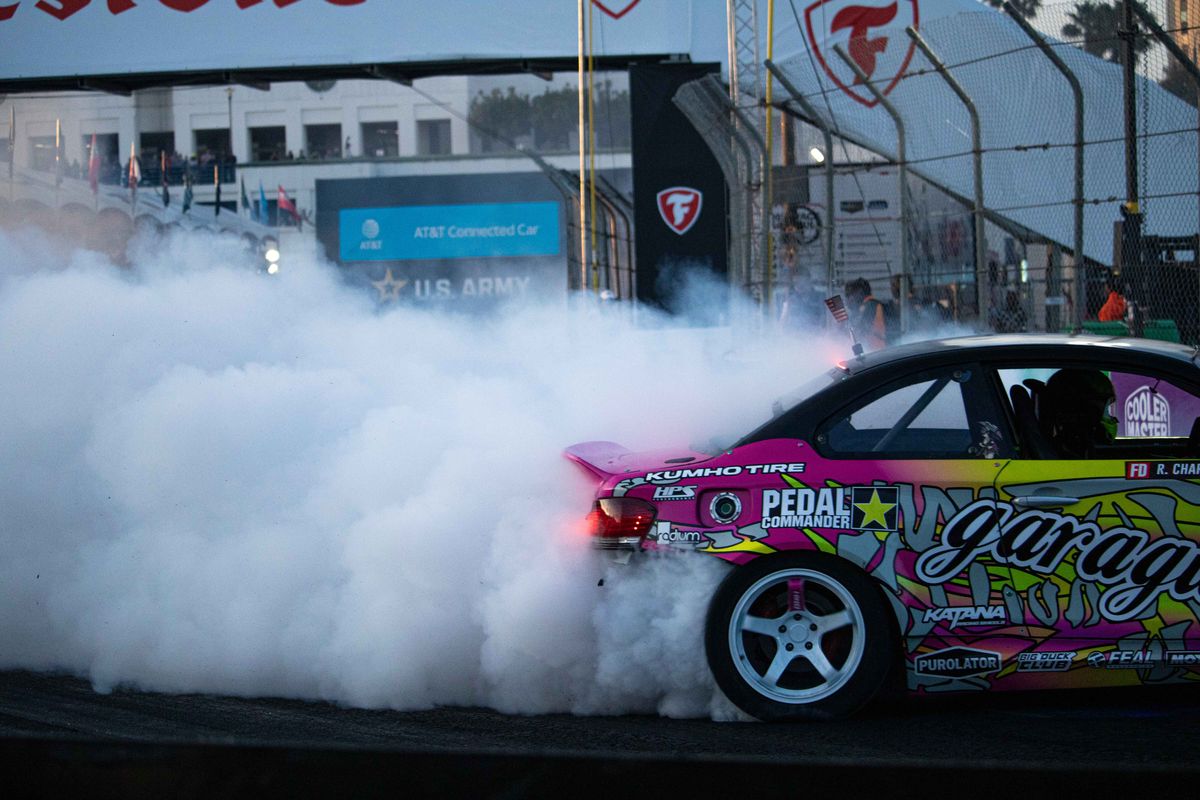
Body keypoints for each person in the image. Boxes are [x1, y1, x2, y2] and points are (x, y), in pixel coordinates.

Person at [1039, 368, 1116, 458]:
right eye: (1106, 410)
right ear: (1088, 410)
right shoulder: (1074, 451)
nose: (1112, 419)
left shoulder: (1075, 446)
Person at [844, 277, 887, 351]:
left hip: (876, 352)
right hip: (876, 352)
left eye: (849, 295)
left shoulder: (870, 305)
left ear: (859, 292)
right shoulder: (873, 305)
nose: (848, 300)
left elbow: (860, 330)